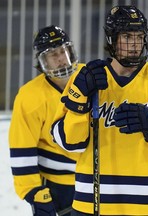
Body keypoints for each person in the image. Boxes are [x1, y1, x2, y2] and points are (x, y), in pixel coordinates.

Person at [50, 5, 148, 216]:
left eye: (139, 37)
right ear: (112, 39)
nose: (135, 44)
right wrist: (79, 103)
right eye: (127, 36)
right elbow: (67, 143)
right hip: (90, 205)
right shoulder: (86, 76)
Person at [9, 25, 83, 216]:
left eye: (63, 51)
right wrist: (33, 192)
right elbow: (22, 149)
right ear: (42, 61)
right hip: (56, 187)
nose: (61, 58)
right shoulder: (29, 96)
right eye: (53, 55)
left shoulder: (91, 78)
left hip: (97, 180)